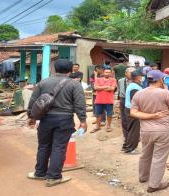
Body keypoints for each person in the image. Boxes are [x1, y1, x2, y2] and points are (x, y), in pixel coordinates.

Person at [27, 59, 87, 187]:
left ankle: (40, 173)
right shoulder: (74, 84)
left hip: (45, 119)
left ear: (55, 69)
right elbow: (80, 104)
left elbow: (33, 100)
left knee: (43, 146)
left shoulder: (43, 82)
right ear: (71, 70)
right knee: (59, 147)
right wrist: (82, 120)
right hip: (64, 120)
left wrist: (31, 116)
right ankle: (53, 177)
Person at [130, 70, 169, 193]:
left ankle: (143, 177)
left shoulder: (139, 94)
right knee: (159, 158)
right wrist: (155, 115)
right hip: (163, 130)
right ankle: (154, 184)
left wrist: (150, 116)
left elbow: (133, 112)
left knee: (145, 154)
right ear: (160, 80)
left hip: (146, 131)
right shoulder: (164, 93)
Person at [123, 70, 143, 154]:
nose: (142, 78)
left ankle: (127, 146)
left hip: (130, 109)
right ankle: (131, 149)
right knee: (134, 130)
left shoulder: (133, 85)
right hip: (132, 110)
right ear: (138, 77)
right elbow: (134, 100)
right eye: (141, 76)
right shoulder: (134, 87)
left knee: (131, 128)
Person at [91, 68, 117, 133]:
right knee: (98, 114)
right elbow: (95, 88)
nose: (107, 73)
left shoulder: (113, 80)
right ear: (103, 72)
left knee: (109, 114)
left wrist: (100, 87)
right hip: (99, 100)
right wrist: (106, 86)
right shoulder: (98, 79)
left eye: (108, 72)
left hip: (109, 100)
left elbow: (112, 88)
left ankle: (108, 126)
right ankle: (97, 126)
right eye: (106, 72)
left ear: (111, 73)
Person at [118, 67, 135, 151]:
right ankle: (126, 139)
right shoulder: (120, 81)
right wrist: (119, 100)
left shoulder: (136, 82)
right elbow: (119, 91)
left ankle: (131, 141)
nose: (132, 74)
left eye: (133, 72)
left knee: (132, 121)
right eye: (130, 72)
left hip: (133, 101)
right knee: (124, 121)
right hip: (123, 100)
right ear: (125, 73)